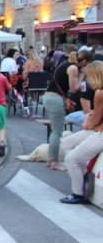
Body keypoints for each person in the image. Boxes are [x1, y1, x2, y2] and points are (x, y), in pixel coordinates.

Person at [59, 60, 103, 204]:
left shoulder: (100, 93)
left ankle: (78, 193)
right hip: (97, 130)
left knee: (71, 159)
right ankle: (84, 174)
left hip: (99, 132)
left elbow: (94, 120)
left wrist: (89, 121)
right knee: (66, 143)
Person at [42, 47, 89, 172]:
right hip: (55, 99)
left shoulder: (64, 64)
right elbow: (74, 88)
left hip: (50, 97)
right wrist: (83, 75)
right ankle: (54, 161)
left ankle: (51, 158)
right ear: (84, 62)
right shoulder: (73, 68)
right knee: (57, 131)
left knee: (54, 130)